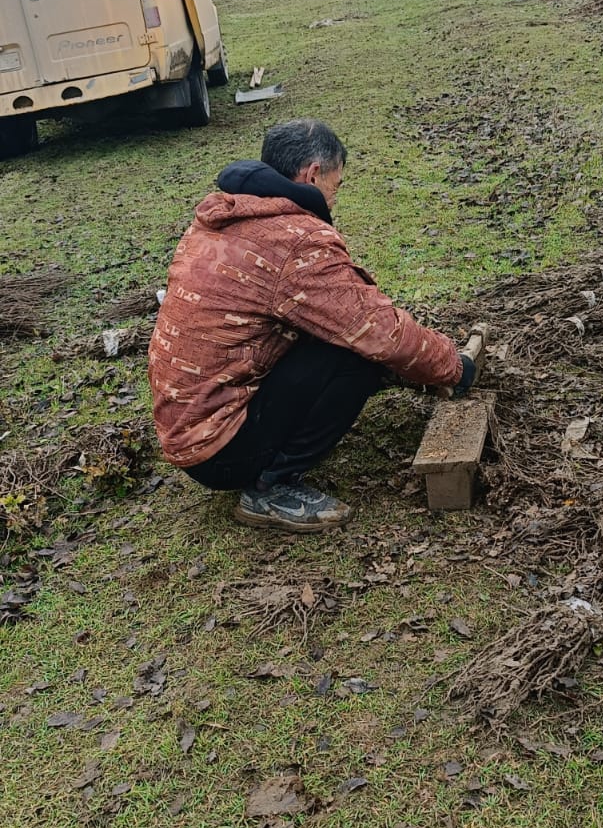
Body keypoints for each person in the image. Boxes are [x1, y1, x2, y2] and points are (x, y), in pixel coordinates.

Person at [148, 119, 476, 532]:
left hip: (187, 421)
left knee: (334, 330)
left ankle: (272, 448)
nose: (334, 201)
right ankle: (271, 486)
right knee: (354, 353)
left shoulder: (226, 215)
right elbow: (376, 329)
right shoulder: (293, 240)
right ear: (313, 174)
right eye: (336, 187)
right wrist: (454, 367)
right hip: (218, 449)